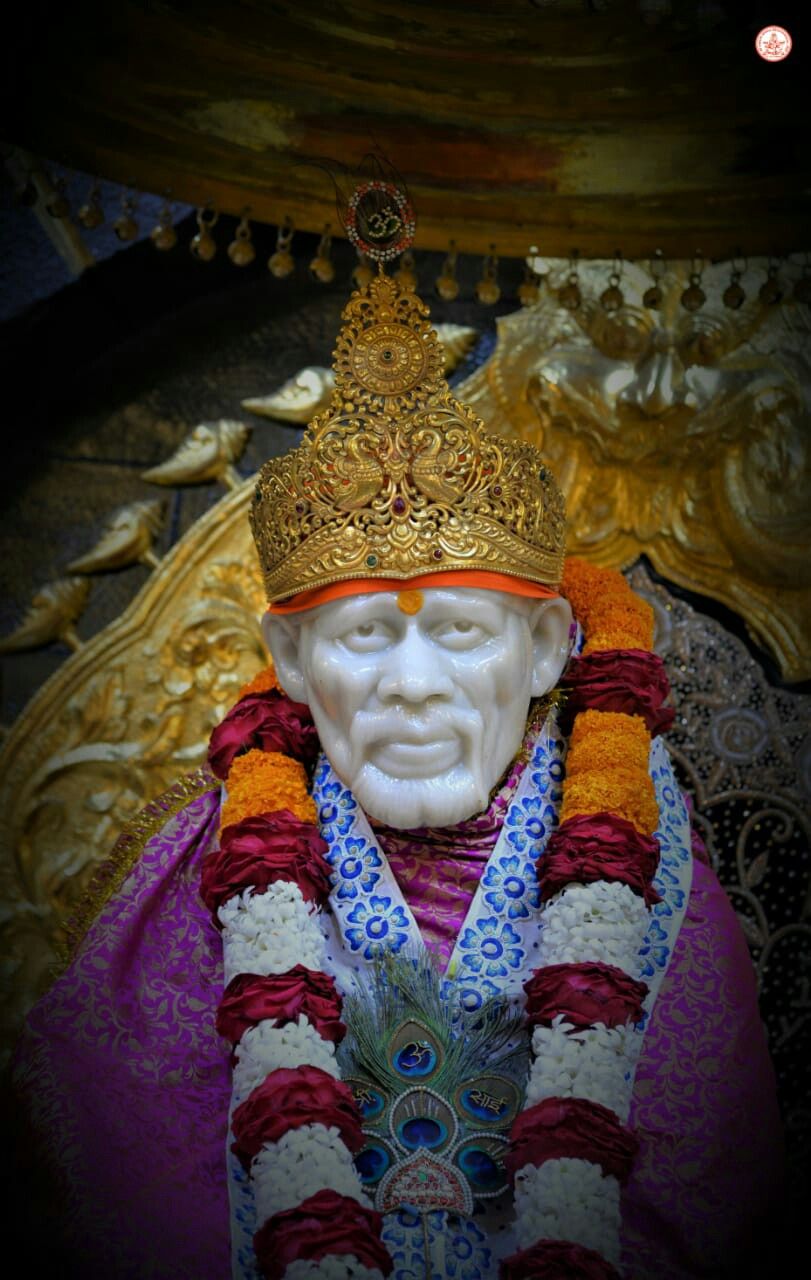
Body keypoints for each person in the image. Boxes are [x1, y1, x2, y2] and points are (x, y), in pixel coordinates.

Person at [13, 269, 782, 1280]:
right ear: (287, 661)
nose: (413, 686)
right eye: (366, 634)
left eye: (462, 632)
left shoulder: (646, 862)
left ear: (548, 647)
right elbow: (126, 1183)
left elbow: (706, 1197)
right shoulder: (198, 871)